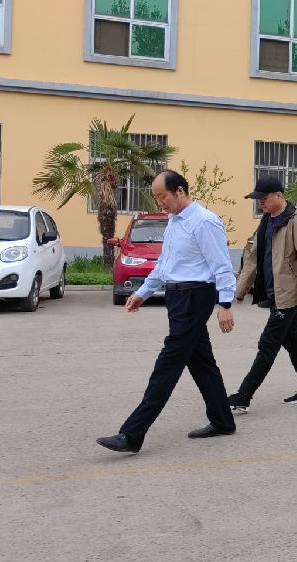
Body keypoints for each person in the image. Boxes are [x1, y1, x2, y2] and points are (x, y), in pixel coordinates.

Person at [97, 170, 238, 453]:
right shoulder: (174, 221)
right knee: (201, 362)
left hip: (194, 297)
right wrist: (143, 292)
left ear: (180, 192)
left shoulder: (204, 222)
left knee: (168, 364)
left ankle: (132, 434)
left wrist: (225, 304)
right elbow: (165, 264)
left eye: (162, 196)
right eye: (156, 197)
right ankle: (223, 420)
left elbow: (222, 266)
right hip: (177, 297)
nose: (159, 202)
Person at [227, 176, 297, 415]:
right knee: (295, 342)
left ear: (279, 195)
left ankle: (243, 396)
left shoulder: (296, 221)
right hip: (272, 291)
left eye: (264, 198)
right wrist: (240, 290)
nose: (261, 203)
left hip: (286, 294)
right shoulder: (266, 221)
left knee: (267, 344)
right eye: (258, 199)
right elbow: (252, 258)